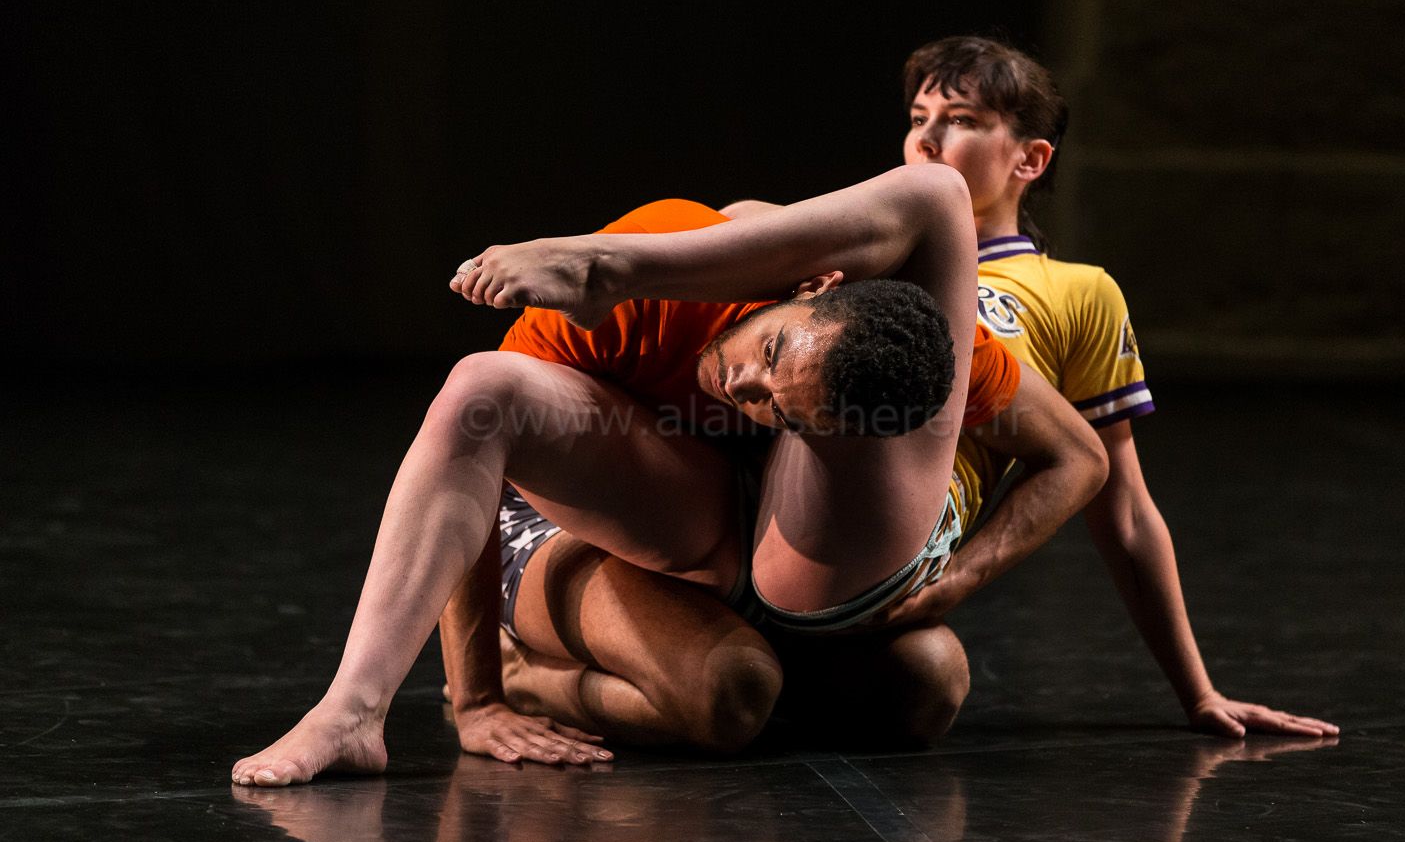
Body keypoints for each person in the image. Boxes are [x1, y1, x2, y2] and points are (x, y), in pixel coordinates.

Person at [231, 163, 1039, 785]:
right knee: (731, 693)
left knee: (931, 685)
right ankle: (357, 711)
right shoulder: (628, 305)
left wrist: (962, 573)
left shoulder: (903, 350)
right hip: (599, 525)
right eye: (768, 352)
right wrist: (478, 697)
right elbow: (478, 462)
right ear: (811, 283)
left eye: (781, 409)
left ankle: (767, 625)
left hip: (764, 548)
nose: (743, 387)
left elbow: (1079, 455)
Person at [727, 34, 1337, 738]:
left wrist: (1198, 693)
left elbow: (1124, 508)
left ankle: (765, 658)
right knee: (748, 218)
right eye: (919, 118)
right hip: (761, 492)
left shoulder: (1078, 293)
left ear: (1030, 158)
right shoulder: (863, 250)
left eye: (960, 120)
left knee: (932, 683)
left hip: (888, 536)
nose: (926, 139)